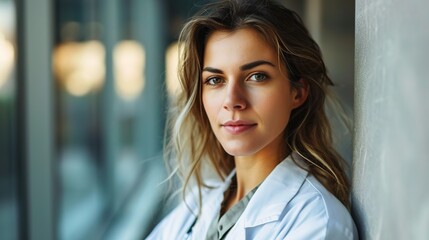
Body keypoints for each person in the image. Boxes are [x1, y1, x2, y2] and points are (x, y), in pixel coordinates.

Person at [147, 0, 358, 239]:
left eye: (257, 76)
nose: (232, 100)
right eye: (215, 80)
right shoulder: (198, 205)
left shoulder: (317, 223)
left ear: (297, 92)